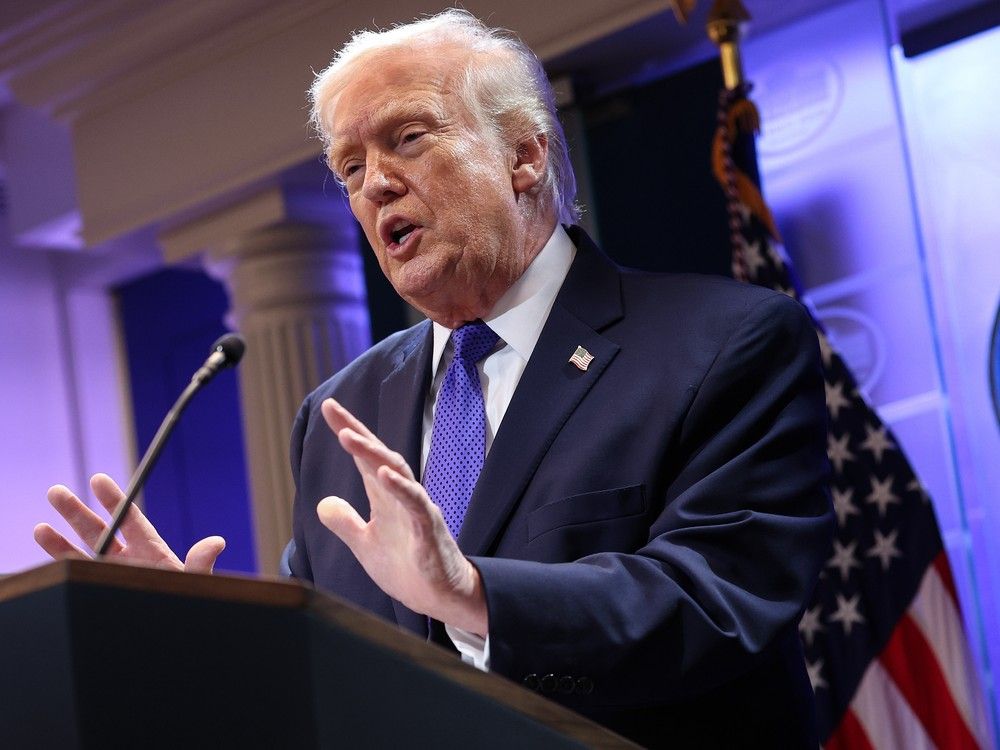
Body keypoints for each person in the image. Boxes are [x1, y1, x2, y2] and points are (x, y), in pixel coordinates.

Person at [35, 10, 833, 748]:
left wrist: (474, 592)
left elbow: (721, 602)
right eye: (350, 167)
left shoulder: (722, 343)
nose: (373, 183)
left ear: (524, 155)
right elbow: (331, 675)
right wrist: (211, 641)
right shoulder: (340, 410)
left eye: (407, 138)